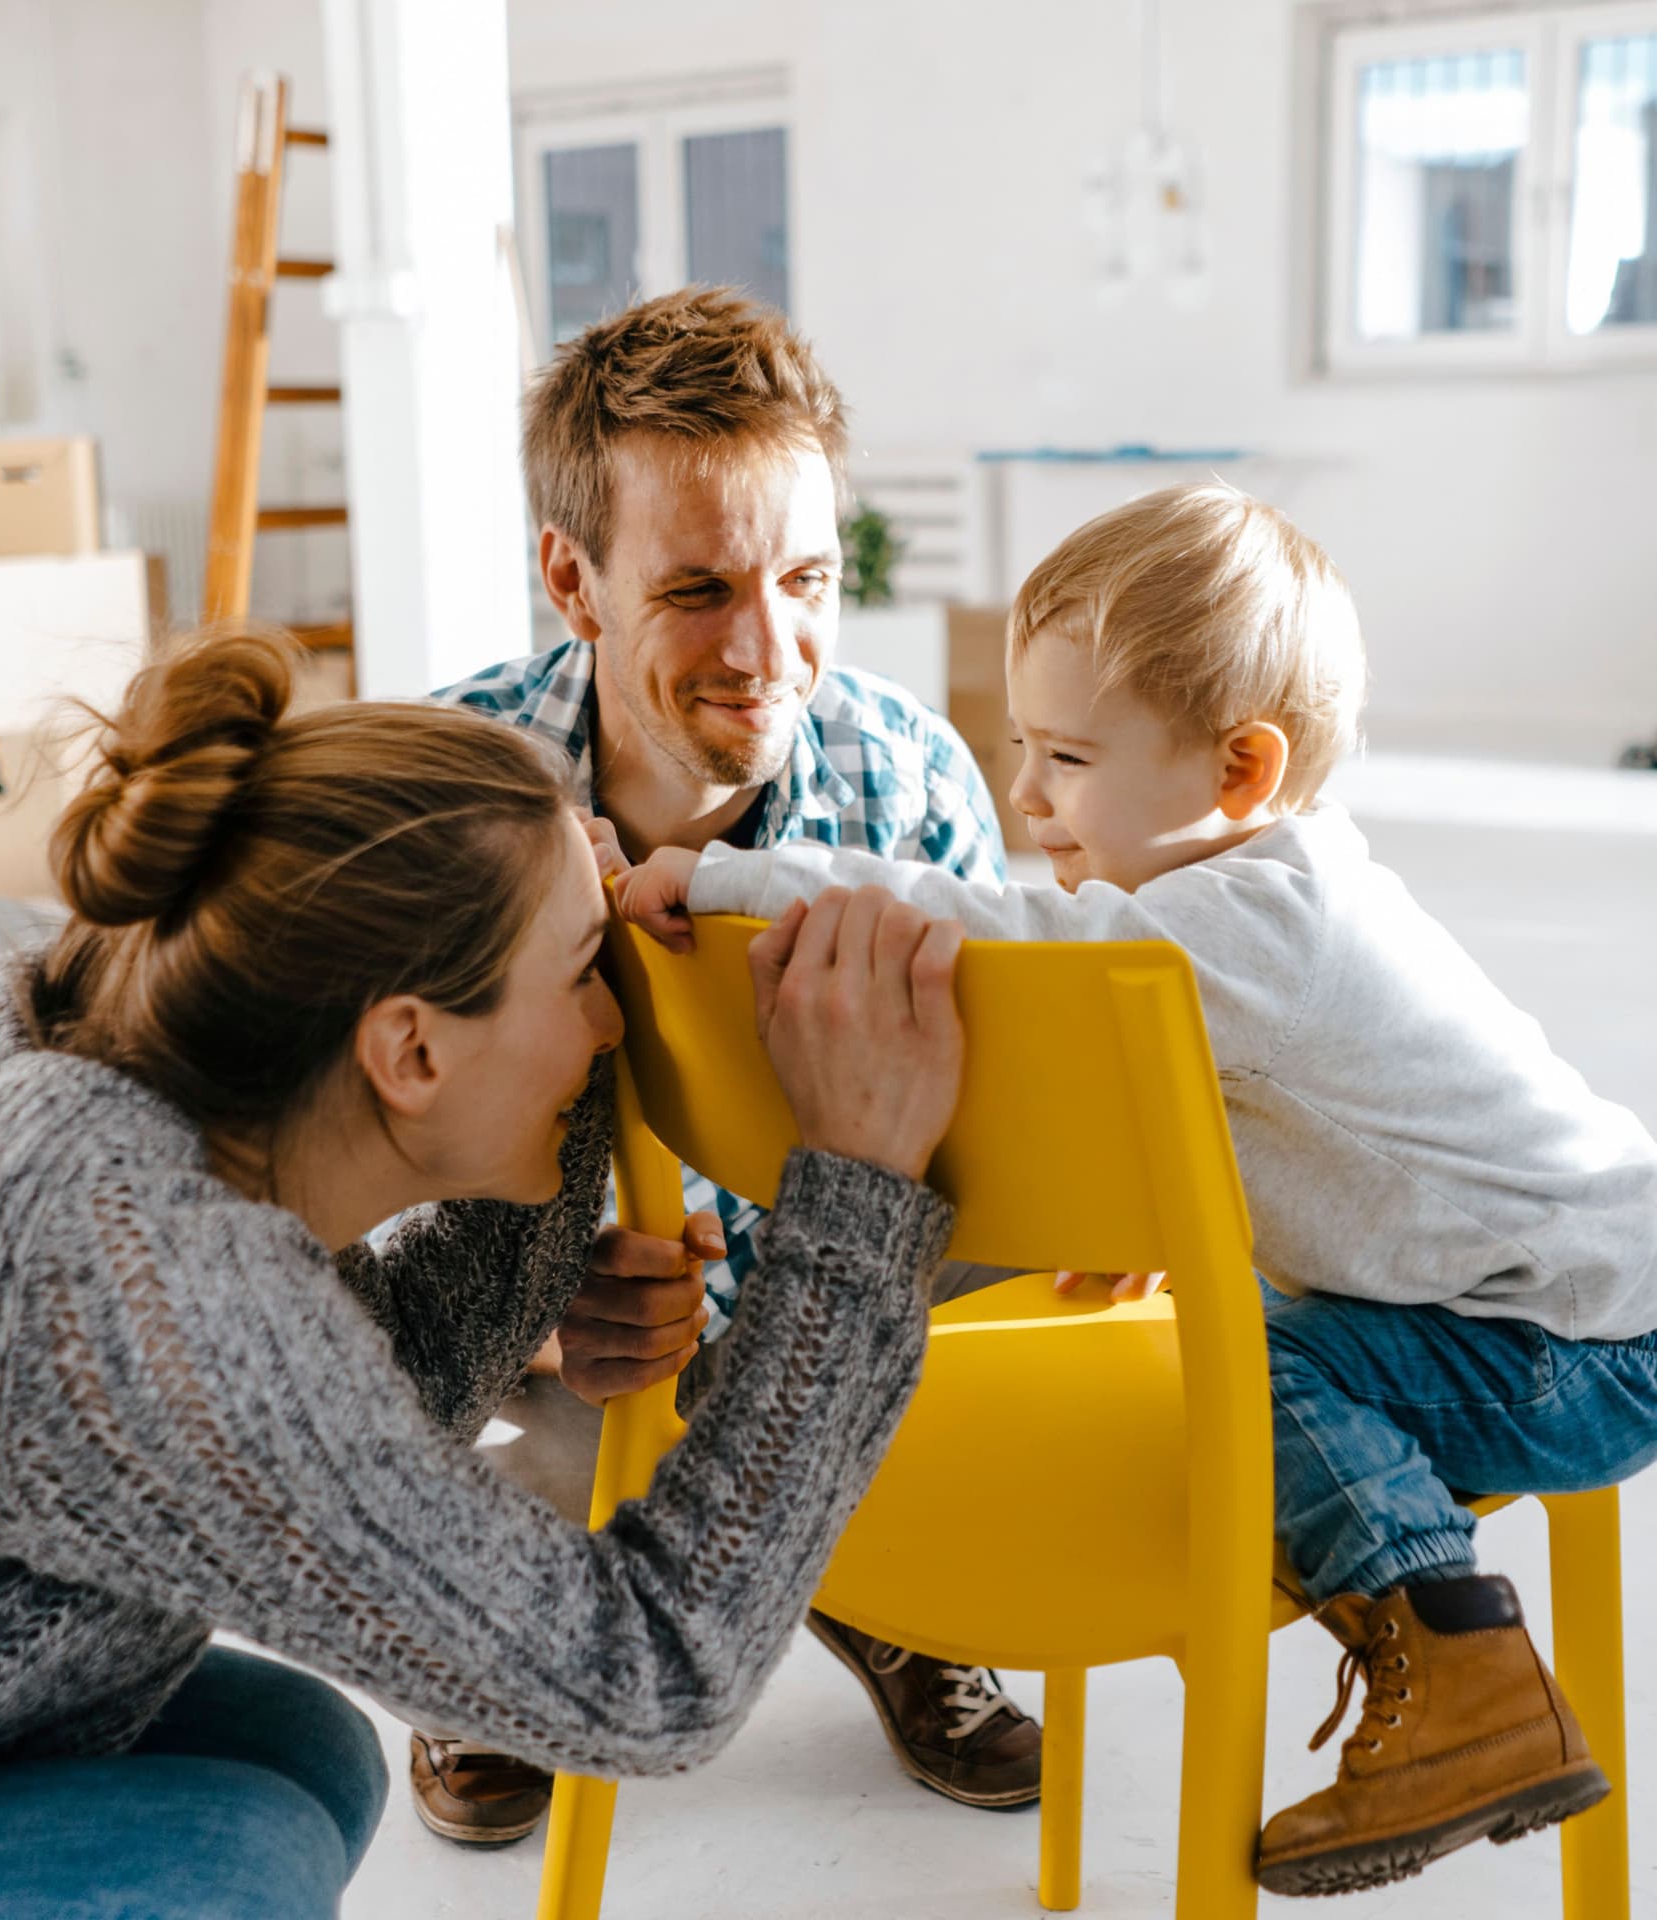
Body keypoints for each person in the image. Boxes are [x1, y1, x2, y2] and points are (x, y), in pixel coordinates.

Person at [0, 628, 972, 1915]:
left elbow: (393, 1384)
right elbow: (650, 1675)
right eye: (581, 976)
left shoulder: (93, 1029)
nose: (610, 1016)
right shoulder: (116, 1273)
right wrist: (860, 1190)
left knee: (290, 1746)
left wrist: (569, 970)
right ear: (411, 1054)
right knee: (228, 1858)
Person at [615, 482, 1657, 1898]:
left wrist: (742, 881)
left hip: (1587, 1341)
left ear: (1237, 774)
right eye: (1020, 752)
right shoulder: (1225, 917)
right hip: (1527, 1297)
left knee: (1277, 1371)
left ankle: (1464, 1668)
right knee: (1256, 1331)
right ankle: (1456, 1656)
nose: (1028, 798)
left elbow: (1009, 935)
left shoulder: (1257, 921)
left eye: (1066, 757)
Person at [418, 284, 1039, 1841]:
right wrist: (529, 1296)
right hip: (587, 1347)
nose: (770, 650)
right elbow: (325, 1158)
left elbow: (1000, 1130)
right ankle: (476, 1664)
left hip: (856, 1301)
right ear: (573, 576)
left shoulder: (910, 777)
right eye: (698, 588)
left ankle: (893, 1592)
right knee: (411, 1370)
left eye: (809, 577)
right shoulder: (440, 796)